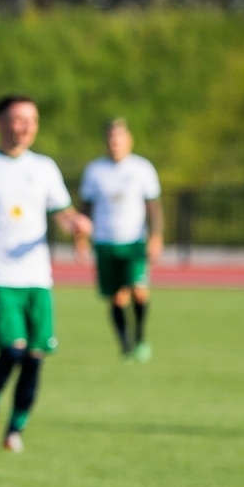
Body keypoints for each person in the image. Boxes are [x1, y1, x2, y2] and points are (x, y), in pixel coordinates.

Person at [0, 96, 92, 453]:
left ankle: (15, 431)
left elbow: (62, 214)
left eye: (33, 120)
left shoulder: (44, 167)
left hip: (38, 279)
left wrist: (76, 224)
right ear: (0, 122)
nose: (27, 126)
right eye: (19, 119)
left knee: (34, 357)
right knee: (12, 351)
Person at [77, 119, 162, 361]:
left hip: (134, 241)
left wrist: (156, 237)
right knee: (117, 297)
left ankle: (140, 336)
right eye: (111, 138)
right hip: (105, 241)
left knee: (139, 291)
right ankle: (125, 345)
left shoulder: (142, 168)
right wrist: (81, 239)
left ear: (129, 140)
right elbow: (86, 206)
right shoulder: (95, 170)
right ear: (106, 142)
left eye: (120, 138)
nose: (115, 143)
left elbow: (153, 207)